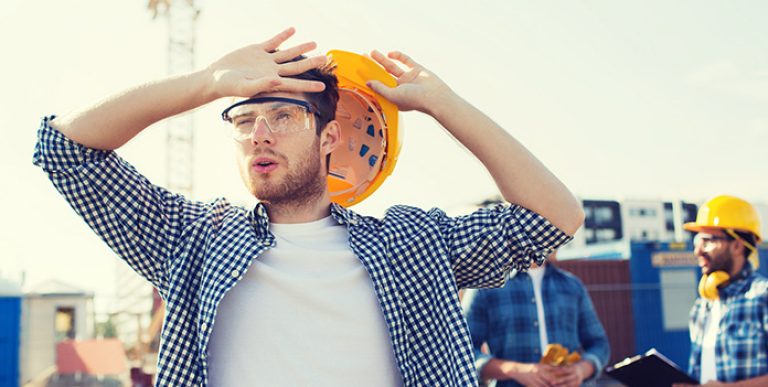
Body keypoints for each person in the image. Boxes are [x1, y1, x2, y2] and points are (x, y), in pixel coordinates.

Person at [33, 27, 584, 386]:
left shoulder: (411, 243)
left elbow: (555, 217)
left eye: (285, 117)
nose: (260, 135)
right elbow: (63, 150)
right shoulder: (192, 240)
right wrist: (205, 83)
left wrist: (444, 105)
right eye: (245, 121)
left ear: (328, 139)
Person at [464, 252, 609, 387]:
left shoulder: (573, 286)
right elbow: (463, 352)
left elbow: (599, 344)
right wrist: (513, 369)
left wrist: (582, 369)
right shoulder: (485, 286)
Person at [673, 195, 766, 387]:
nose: (698, 251)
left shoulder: (762, 297)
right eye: (697, 241)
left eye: (707, 241)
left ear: (737, 245)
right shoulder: (702, 306)